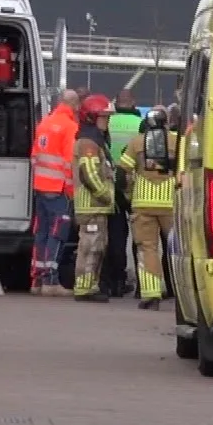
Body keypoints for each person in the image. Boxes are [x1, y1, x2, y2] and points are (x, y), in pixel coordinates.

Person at [120, 104, 179, 310]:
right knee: (178, 250)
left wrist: (129, 194)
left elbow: (123, 172)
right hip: (172, 204)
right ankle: (182, 295)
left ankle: (151, 294)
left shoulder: (137, 142)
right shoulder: (177, 141)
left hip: (143, 204)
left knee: (147, 249)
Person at [30, 88, 80, 296]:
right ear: (75, 105)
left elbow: (34, 157)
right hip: (59, 189)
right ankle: (51, 280)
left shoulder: (45, 122)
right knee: (57, 233)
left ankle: (38, 280)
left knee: (41, 233)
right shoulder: (70, 127)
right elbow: (70, 162)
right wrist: (71, 190)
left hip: (40, 187)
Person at [71, 94, 116, 302]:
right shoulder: (88, 142)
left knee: (98, 247)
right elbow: (88, 173)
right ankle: (84, 287)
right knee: (90, 246)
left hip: (97, 207)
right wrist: (105, 195)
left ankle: (91, 285)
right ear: (91, 117)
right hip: (92, 205)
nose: (107, 122)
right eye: (104, 117)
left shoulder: (95, 140)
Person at [101, 91, 144, 298]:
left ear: (116, 103)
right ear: (133, 102)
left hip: (112, 182)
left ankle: (116, 282)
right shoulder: (140, 124)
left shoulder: (109, 122)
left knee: (116, 235)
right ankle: (141, 286)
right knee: (140, 237)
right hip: (134, 184)